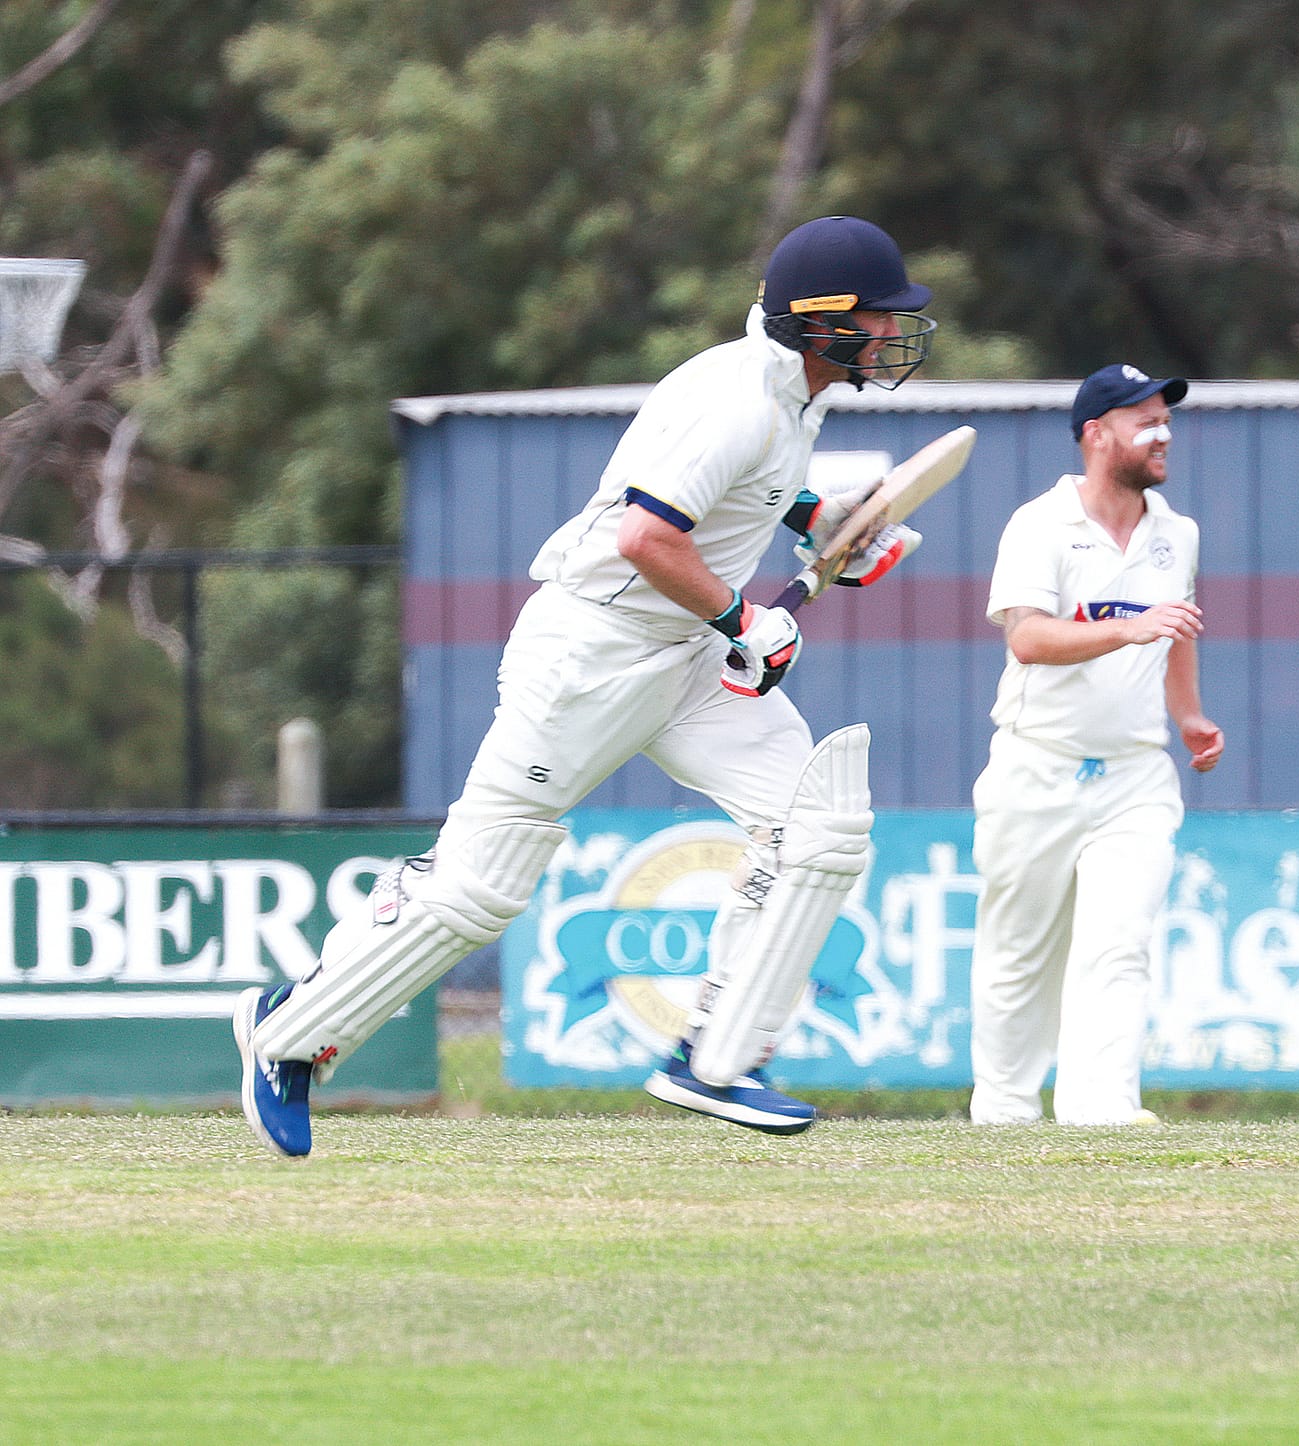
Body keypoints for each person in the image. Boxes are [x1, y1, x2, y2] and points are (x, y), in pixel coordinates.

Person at [234, 216, 938, 1156]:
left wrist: (822, 521)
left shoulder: (793, 395)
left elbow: (745, 494)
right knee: (479, 888)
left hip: (683, 657)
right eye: (878, 318)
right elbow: (646, 538)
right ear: (821, 322)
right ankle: (291, 1032)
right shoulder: (736, 397)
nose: (893, 336)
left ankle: (719, 1058)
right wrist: (745, 621)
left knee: (818, 825)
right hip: (592, 656)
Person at [968, 364, 1224, 1127]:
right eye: (1143, 420)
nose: (1162, 433)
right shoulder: (1039, 525)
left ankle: (1101, 1107)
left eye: (1165, 420)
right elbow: (1029, 639)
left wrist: (1190, 717)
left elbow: (1176, 632)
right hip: (1035, 764)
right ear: (1095, 433)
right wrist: (1127, 627)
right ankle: (1005, 1111)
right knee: (1021, 953)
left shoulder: (1176, 534)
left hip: (1136, 775)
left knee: (1120, 943)